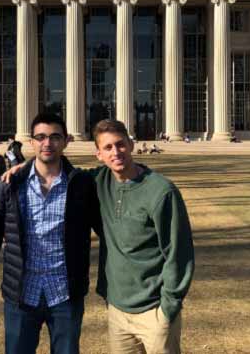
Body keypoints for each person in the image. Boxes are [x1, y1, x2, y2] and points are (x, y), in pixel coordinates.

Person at [0, 113, 99, 354]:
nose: (47, 143)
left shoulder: (82, 184)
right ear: (31, 142)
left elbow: (118, 171)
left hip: (64, 294)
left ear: (66, 141)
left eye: (54, 137)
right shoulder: (10, 184)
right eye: (40, 137)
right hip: (22, 294)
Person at [91, 119, 194, 354]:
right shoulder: (99, 182)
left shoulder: (161, 191)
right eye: (107, 148)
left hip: (155, 311)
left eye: (120, 144)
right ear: (99, 154)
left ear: (131, 144)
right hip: (117, 311)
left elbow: (179, 252)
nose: (115, 152)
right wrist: (25, 166)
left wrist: (168, 308)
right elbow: (59, 171)